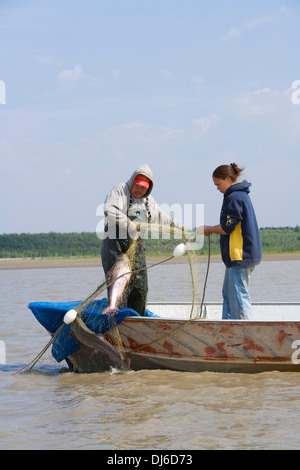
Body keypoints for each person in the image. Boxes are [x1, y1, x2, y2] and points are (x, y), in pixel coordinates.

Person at [101, 163, 185, 316]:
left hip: (136, 244)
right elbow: (109, 209)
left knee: (140, 286)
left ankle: (136, 319)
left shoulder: (149, 201)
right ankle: (115, 317)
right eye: (137, 186)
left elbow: (162, 218)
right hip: (114, 242)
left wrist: (181, 228)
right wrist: (129, 225)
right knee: (118, 283)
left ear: (149, 188)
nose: (139, 190)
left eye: (143, 188)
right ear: (132, 181)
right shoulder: (120, 190)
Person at [197, 163, 262, 319]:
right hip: (237, 257)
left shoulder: (234, 197)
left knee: (239, 297)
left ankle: (243, 333)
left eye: (218, 184)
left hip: (239, 255)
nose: (217, 188)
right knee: (228, 294)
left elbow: (226, 229)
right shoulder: (240, 195)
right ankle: (228, 328)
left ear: (227, 178)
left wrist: (207, 229)